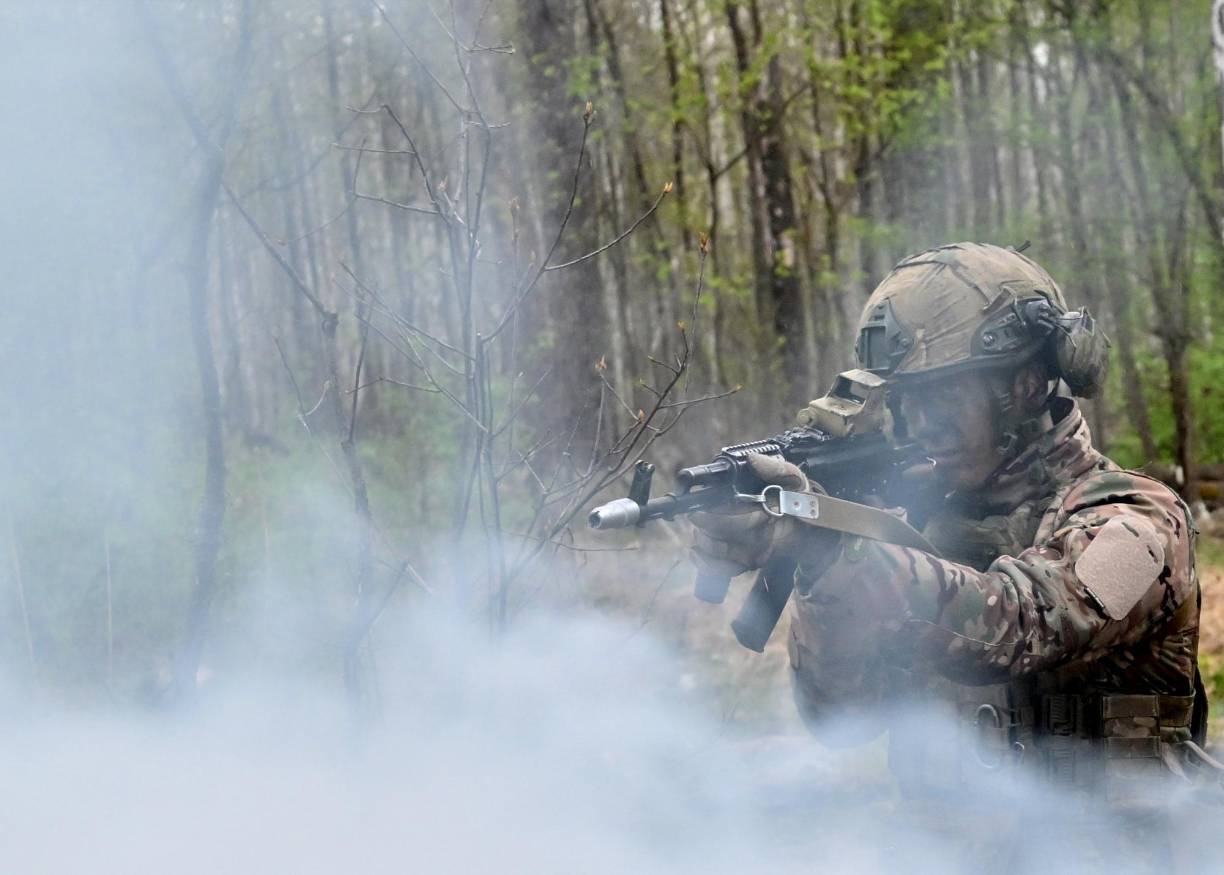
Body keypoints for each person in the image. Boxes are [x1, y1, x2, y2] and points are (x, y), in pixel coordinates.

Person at [690, 243, 1213, 858]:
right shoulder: (909, 532)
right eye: (902, 400)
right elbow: (835, 714)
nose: (911, 424)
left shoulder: (1137, 521)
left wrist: (840, 551)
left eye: (937, 397)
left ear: (1022, 386)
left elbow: (1017, 622)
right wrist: (815, 560)